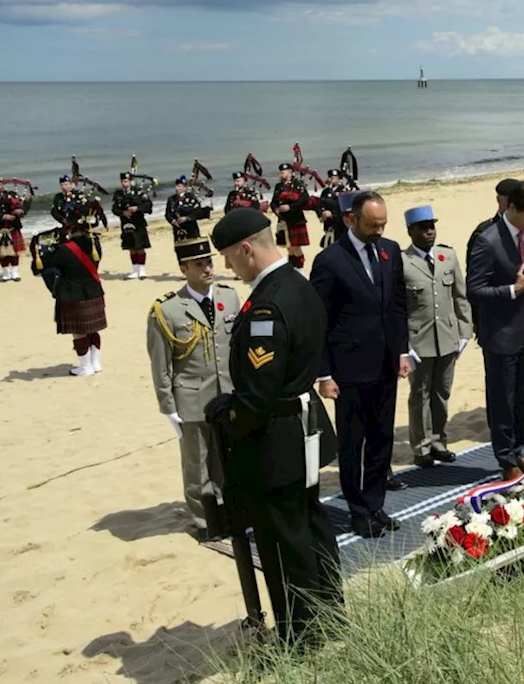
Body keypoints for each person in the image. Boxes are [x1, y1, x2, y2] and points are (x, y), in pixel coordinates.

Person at [204, 208, 343, 649]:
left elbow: (258, 394)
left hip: (277, 436)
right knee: (311, 523)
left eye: (228, 256)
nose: (226, 266)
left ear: (247, 249)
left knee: (284, 541)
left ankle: (301, 638)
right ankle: (330, 614)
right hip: (302, 426)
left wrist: (227, 416)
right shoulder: (297, 285)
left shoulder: (267, 305)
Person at [310, 191, 412, 538]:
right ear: (351, 220)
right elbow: (317, 322)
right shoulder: (329, 261)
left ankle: (375, 504)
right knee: (353, 444)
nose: (379, 230)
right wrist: (323, 374)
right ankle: (357, 510)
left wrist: (402, 351)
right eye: (372, 225)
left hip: (385, 364)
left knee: (382, 440)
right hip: (349, 370)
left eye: (383, 223)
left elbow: (398, 305)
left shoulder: (391, 250)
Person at [146, 237, 238, 541]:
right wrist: (167, 405)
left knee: (228, 458)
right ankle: (204, 521)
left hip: (227, 394)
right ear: (183, 268)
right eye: (199, 264)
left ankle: (230, 512)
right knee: (198, 465)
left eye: (209, 262)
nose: (207, 269)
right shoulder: (168, 311)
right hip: (191, 398)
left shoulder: (230, 297)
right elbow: (161, 364)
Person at [466, 180, 524, 480]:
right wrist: (513, 290)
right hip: (501, 333)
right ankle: (506, 460)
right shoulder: (487, 240)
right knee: (503, 399)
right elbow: (474, 291)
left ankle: (518, 450)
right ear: (512, 208)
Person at [402, 205, 473, 467]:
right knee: (420, 395)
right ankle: (421, 448)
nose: (430, 231)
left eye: (432, 225)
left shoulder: (447, 255)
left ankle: (438, 441)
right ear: (411, 231)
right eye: (423, 227)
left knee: (442, 392)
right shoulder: (403, 262)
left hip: (447, 337)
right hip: (418, 342)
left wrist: (465, 331)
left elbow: (460, 296)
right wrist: (404, 344)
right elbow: (398, 308)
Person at [31, 210, 108, 377]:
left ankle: (86, 367)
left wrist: (43, 249)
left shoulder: (64, 249)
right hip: (94, 290)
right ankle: (96, 363)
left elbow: (39, 266)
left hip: (73, 294)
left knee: (79, 331)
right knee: (93, 328)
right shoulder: (95, 243)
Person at [113, 171, 154, 279]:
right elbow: (115, 209)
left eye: (126, 181)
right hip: (126, 223)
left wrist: (137, 209)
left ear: (131, 181)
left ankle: (142, 270)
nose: (124, 183)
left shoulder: (139, 192)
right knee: (131, 247)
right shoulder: (118, 194)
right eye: (122, 181)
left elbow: (149, 206)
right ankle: (135, 271)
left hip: (138, 222)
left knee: (140, 246)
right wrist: (123, 213)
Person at [271, 164, 313, 270]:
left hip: (296, 219)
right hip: (283, 221)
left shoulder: (298, 184)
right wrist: (275, 209)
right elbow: (273, 202)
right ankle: (293, 269)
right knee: (289, 248)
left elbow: (305, 199)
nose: (281, 174)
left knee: (296, 247)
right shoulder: (279, 186)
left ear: (290, 172)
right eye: (280, 172)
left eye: (283, 172)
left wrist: (290, 207)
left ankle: (300, 271)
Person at [166, 175, 211, 244]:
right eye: (176, 186)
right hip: (178, 228)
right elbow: (167, 214)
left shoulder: (191, 197)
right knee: (180, 250)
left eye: (179, 186)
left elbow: (198, 212)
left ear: (184, 188)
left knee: (194, 247)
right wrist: (173, 221)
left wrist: (187, 218)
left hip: (191, 228)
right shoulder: (171, 199)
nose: (177, 188)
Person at [315, 169, 347, 250]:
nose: (330, 179)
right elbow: (319, 205)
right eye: (330, 177)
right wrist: (321, 214)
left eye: (333, 177)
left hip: (340, 225)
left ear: (339, 179)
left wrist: (332, 215)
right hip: (328, 225)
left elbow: (345, 209)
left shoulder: (344, 191)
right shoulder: (325, 191)